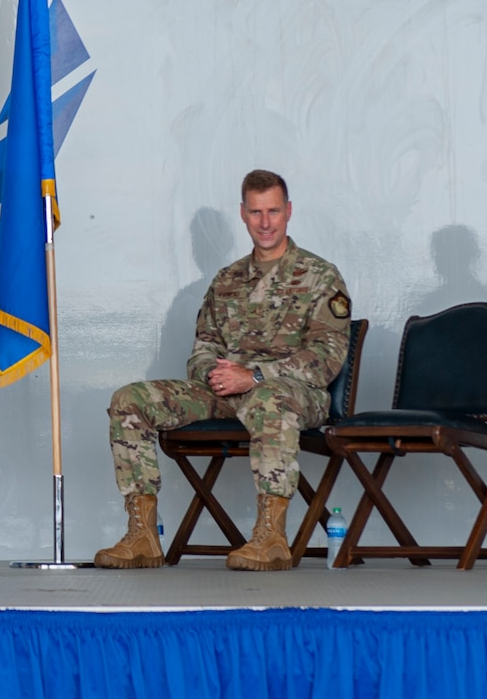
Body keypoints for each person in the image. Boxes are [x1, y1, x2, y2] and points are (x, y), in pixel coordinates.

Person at [96, 170, 352, 572]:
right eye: (255, 212)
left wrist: (254, 376)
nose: (265, 222)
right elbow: (204, 346)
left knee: (270, 398)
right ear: (243, 214)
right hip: (226, 392)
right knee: (130, 399)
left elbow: (327, 355)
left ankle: (271, 538)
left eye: (272, 211)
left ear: (288, 212)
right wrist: (215, 376)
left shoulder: (320, 275)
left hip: (293, 394)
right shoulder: (227, 280)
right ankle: (142, 535)